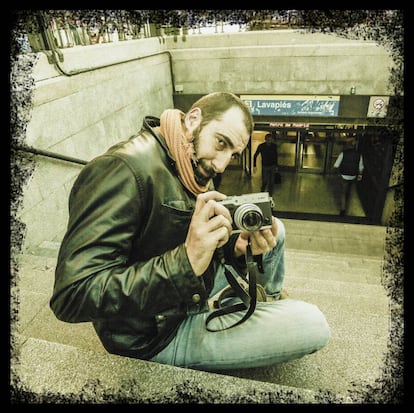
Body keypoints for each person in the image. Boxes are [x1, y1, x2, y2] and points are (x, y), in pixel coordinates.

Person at [50, 92, 330, 371]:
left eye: (232, 154)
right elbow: (72, 294)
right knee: (312, 323)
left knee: (275, 230)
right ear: (194, 119)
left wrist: (233, 250)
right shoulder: (122, 170)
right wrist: (186, 261)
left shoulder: (184, 161)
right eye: (221, 143)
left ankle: (261, 301)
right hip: (157, 333)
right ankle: (252, 310)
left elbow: (174, 237)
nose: (221, 164)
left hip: (187, 292)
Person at [334, 139, 364, 216]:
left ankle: (343, 210)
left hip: (344, 175)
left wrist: (338, 174)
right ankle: (347, 206)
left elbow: (336, 165)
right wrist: (360, 175)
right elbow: (361, 167)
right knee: (349, 192)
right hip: (353, 176)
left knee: (343, 192)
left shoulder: (343, 153)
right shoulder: (359, 155)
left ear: (348, 145)